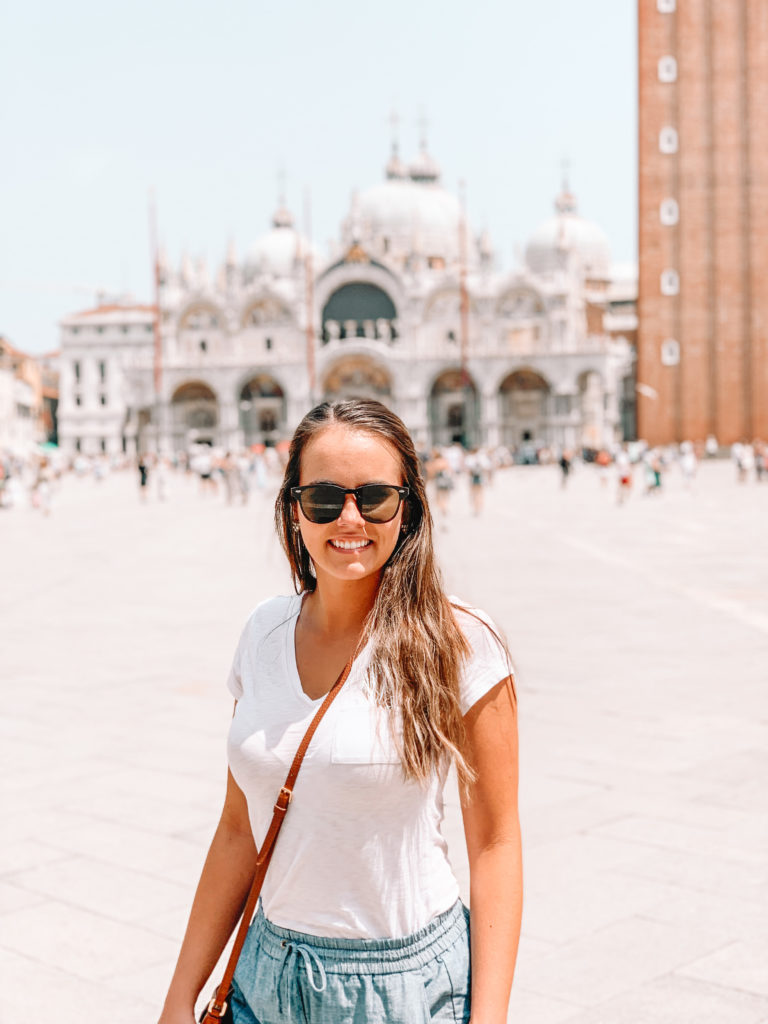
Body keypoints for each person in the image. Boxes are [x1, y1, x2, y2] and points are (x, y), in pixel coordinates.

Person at [158, 399, 522, 1024]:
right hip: (263, 973)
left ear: (407, 508)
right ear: (293, 509)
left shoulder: (461, 641)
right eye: (324, 498)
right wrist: (178, 998)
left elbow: (494, 844)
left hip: (401, 987)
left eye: (375, 497)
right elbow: (237, 829)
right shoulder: (263, 630)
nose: (349, 518)